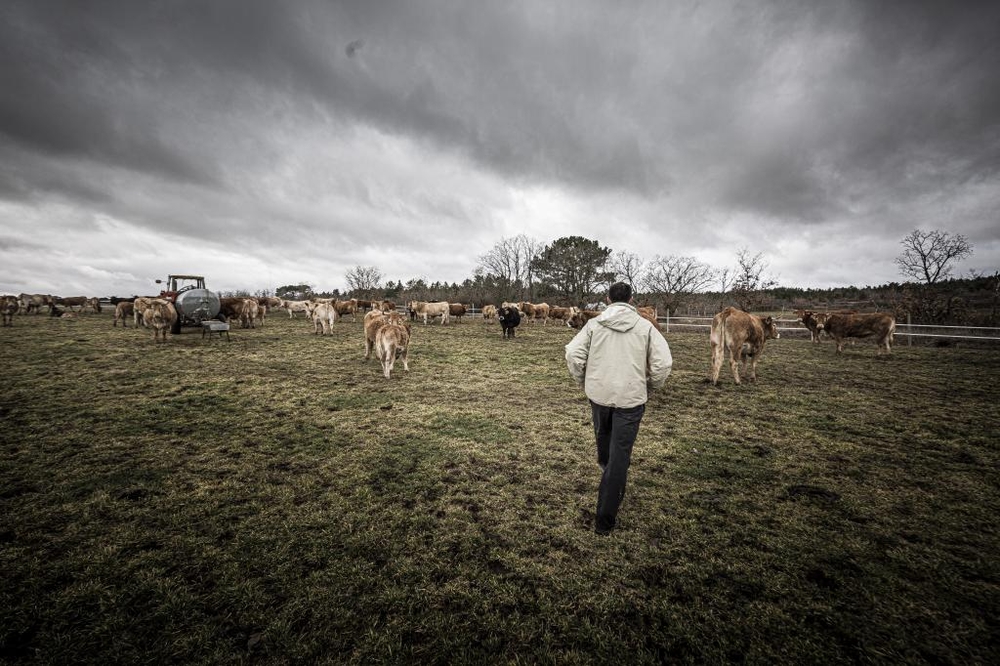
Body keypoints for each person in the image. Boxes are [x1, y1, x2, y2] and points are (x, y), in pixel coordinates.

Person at [565, 282, 673, 535]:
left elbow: (573, 354)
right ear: (631, 299)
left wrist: (584, 380)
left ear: (607, 299)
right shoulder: (645, 327)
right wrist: (650, 387)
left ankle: (606, 507)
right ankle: (611, 490)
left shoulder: (594, 325)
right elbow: (663, 363)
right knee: (619, 454)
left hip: (599, 396)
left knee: (604, 444)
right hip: (631, 400)